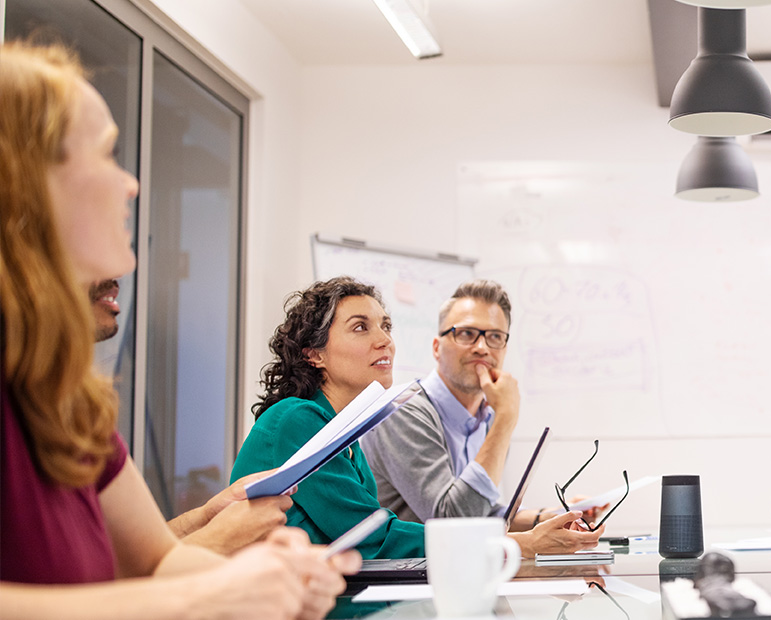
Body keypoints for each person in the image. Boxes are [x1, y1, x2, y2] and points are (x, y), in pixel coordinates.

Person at [1, 39, 352, 618]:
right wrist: (211, 592)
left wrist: (279, 579)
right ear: (25, 184)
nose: (131, 185)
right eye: (105, 155)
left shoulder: (67, 401)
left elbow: (158, 561)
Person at [232, 277, 602, 559]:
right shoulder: (297, 421)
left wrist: (535, 527)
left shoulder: (345, 436)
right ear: (314, 354)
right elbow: (374, 538)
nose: (385, 341)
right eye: (361, 327)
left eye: (386, 326)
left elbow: (372, 538)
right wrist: (516, 545)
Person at [88, 278, 294, 555]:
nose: (125, 268)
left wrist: (207, 515)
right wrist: (218, 538)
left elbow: (135, 557)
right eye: (360, 328)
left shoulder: (83, 418)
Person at [362, 280, 525, 522]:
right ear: (437, 348)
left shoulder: (488, 418)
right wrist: (505, 420)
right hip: (407, 559)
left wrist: (554, 519)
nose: (482, 348)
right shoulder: (403, 410)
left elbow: (482, 510)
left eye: (495, 337)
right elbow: (454, 520)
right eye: (467, 334)